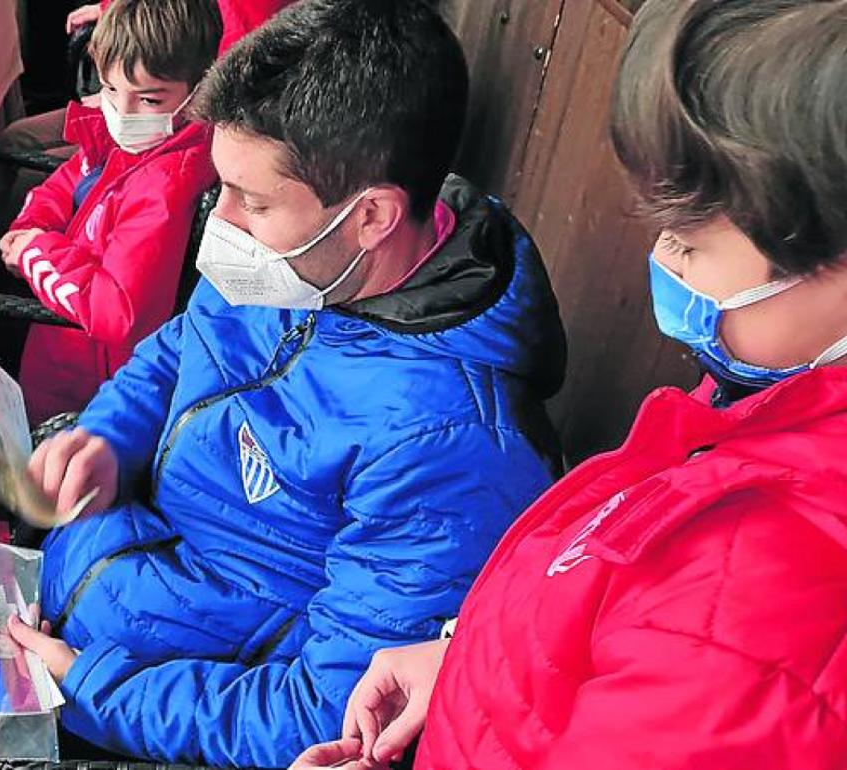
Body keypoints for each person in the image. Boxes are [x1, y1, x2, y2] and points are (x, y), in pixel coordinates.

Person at [3, 1, 566, 766]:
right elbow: (182, 348)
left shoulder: (451, 451)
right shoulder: (306, 262)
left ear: (370, 216)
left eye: (254, 203)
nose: (222, 223)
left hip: (138, 707)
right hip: (78, 584)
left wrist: (99, 688)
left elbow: (321, 713)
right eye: (223, 187)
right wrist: (110, 435)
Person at [293, 2, 847, 768]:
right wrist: (467, 659)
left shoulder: (761, 626)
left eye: (690, 239)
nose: (664, 258)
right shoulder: (767, 400)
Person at [0, 0, 222, 423]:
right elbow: (73, 178)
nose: (124, 112)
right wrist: (32, 228)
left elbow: (118, 313)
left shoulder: (165, 188)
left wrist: (36, 251)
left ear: (200, 90)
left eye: (150, 99)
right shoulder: (140, 139)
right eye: (110, 90)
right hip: (61, 292)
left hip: (73, 362)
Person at [0, 0, 295, 156]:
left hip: (183, 130)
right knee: (15, 138)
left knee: (14, 166)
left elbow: (240, 88)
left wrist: (137, 101)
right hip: (151, 98)